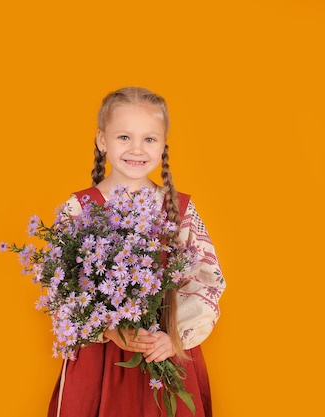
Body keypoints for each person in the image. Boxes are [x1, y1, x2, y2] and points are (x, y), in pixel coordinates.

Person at [46, 87, 225, 417]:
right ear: (102, 140)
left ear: (163, 145)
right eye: (124, 137)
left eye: (149, 139)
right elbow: (59, 290)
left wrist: (175, 338)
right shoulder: (78, 209)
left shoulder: (178, 208)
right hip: (99, 361)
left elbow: (208, 280)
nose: (137, 149)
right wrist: (109, 327)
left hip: (162, 350)